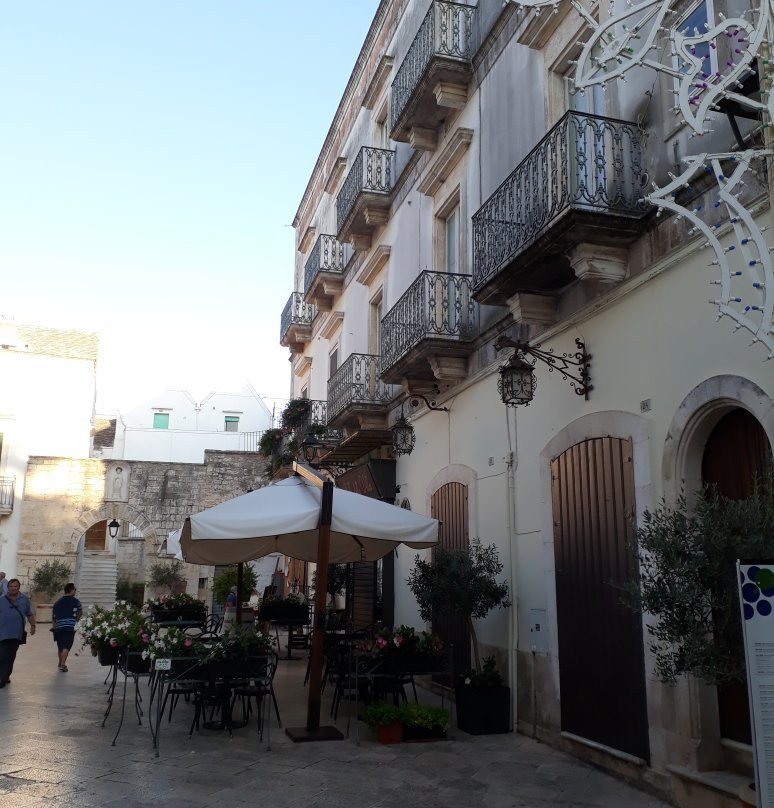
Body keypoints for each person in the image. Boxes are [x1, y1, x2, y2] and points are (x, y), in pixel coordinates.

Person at [0, 578, 36, 688]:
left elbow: (29, 614)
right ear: (8, 588)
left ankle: (5, 676)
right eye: (11, 586)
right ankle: (2, 678)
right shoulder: (1, 599)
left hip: (17, 633)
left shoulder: (24, 599)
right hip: (2, 633)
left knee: (11, 656)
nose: (13, 588)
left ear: (19, 587)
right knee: (2, 655)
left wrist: (33, 625)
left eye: (15, 586)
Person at [51, 583, 82, 672]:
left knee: (60, 646)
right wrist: (77, 619)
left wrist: (54, 627)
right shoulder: (76, 601)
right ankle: (63, 664)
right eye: (75, 589)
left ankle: (60, 662)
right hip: (69, 627)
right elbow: (80, 612)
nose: (75, 591)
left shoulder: (57, 602)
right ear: (71, 590)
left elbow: (54, 617)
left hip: (59, 627)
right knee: (66, 646)